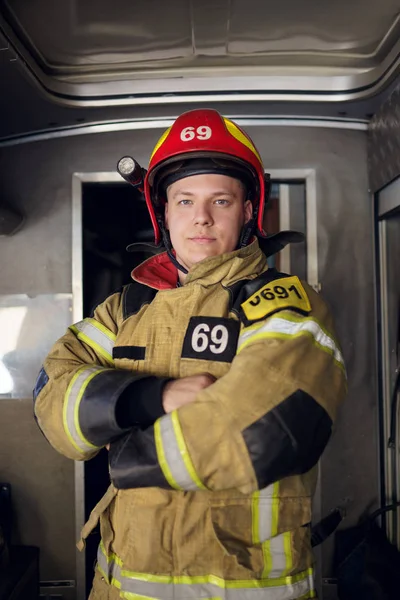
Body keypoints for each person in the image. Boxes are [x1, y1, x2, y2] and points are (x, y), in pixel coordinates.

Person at [33, 108, 347, 600]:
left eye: (220, 200)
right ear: (165, 212)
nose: (200, 216)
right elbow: (52, 394)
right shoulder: (124, 308)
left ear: (248, 211)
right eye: (185, 200)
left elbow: (273, 426)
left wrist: (124, 452)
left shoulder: (285, 303)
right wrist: (146, 400)